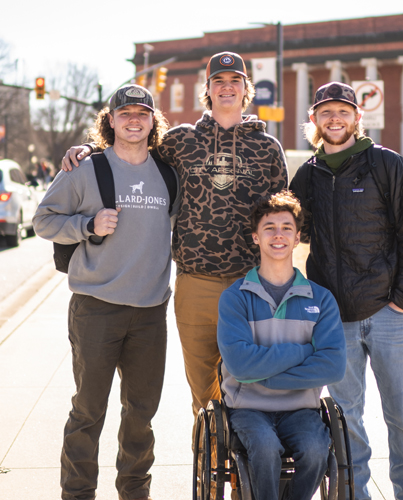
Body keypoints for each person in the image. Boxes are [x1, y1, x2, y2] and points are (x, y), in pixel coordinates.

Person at [61, 51, 288, 423]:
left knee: (249, 382)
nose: (227, 88)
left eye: (235, 82)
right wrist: (90, 150)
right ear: (208, 90)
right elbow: (130, 146)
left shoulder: (268, 147)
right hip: (195, 283)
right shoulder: (182, 141)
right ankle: (213, 464)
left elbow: (282, 216)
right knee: (203, 390)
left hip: (250, 284)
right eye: (219, 82)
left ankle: (248, 464)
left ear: (247, 90)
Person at [33, 84, 180, 500]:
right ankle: (77, 494)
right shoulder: (85, 168)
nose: (134, 119)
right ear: (110, 120)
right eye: (125, 113)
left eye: (143, 113)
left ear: (153, 122)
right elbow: (43, 221)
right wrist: (87, 226)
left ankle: (135, 492)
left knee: (141, 416)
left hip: (151, 311)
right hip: (96, 308)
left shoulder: (168, 172)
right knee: (88, 411)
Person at [289, 82, 403, 500]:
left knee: (402, 416)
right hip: (335, 319)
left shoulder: (385, 164)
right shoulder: (308, 174)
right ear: (314, 120)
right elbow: (286, 228)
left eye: (343, 111)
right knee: (346, 420)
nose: (335, 119)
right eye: (326, 112)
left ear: (356, 117)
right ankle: (356, 495)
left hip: (388, 314)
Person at [217, 190, 346, 500]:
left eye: (286, 228)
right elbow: (239, 365)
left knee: (316, 451)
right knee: (263, 448)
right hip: (248, 408)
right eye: (269, 228)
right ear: (255, 238)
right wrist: (303, 352)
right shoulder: (235, 298)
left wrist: (266, 378)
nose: (278, 235)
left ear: (298, 237)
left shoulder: (321, 299)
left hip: (300, 408)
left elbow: (333, 365)